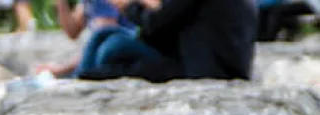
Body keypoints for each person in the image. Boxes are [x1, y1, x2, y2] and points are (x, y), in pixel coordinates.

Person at [74, 0, 255, 81]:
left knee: (114, 47)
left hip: (205, 69)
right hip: (211, 63)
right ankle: (81, 78)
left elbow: (155, 24)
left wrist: (130, 6)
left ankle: (82, 79)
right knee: (105, 38)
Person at [33, 0, 134, 75]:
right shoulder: (87, 2)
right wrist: (61, 3)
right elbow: (72, 31)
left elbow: (100, 43)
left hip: (123, 56)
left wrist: (60, 69)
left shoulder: (100, 3)